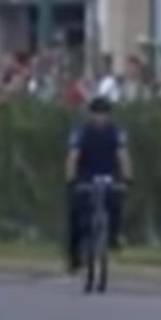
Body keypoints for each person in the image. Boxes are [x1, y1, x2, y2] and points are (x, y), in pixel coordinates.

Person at [66, 95, 132, 271]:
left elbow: (122, 155)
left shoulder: (116, 132)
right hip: (85, 176)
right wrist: (71, 180)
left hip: (109, 175)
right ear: (91, 115)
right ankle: (75, 256)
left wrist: (127, 178)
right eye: (97, 113)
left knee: (116, 204)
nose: (100, 117)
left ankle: (114, 237)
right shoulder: (81, 131)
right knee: (77, 215)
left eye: (104, 113)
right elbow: (73, 156)